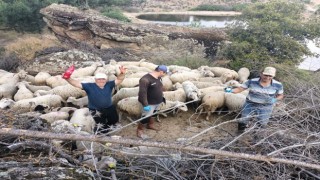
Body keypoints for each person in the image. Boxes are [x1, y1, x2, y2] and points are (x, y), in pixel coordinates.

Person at [62, 65, 127, 133]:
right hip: (95, 110)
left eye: (103, 79)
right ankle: (101, 135)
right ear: (95, 80)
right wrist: (68, 78)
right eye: (99, 79)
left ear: (106, 80)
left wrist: (122, 73)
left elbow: (119, 79)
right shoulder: (89, 86)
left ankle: (108, 128)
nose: (101, 81)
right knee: (101, 124)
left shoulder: (109, 85)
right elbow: (76, 84)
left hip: (109, 108)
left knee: (114, 119)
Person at [225, 67, 284, 132]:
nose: (267, 77)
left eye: (270, 76)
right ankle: (240, 133)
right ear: (261, 74)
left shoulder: (278, 85)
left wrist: (274, 100)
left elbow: (280, 95)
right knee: (243, 119)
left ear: (273, 76)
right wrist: (227, 90)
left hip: (266, 107)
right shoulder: (251, 81)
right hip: (250, 104)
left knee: (262, 122)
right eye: (265, 75)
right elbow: (239, 89)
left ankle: (257, 136)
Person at [137, 65, 168, 138]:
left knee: (154, 114)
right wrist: (145, 105)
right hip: (149, 103)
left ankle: (150, 125)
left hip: (157, 101)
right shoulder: (145, 79)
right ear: (161, 72)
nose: (165, 74)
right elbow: (142, 93)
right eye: (165, 73)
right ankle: (139, 130)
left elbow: (159, 86)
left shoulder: (159, 77)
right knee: (145, 117)